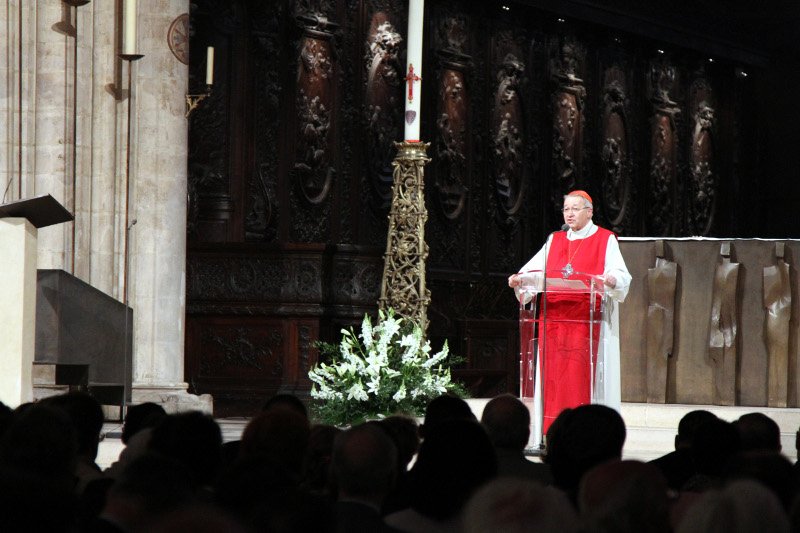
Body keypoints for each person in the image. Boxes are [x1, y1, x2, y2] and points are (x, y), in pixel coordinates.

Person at [508, 190, 631, 434]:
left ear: (589, 212)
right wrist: (519, 280)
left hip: (586, 322)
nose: (570, 213)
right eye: (566, 209)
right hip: (553, 321)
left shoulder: (605, 239)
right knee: (555, 381)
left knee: (578, 379)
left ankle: (586, 431)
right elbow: (533, 270)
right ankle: (550, 431)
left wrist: (611, 279)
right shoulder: (555, 239)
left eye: (575, 209)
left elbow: (621, 275)